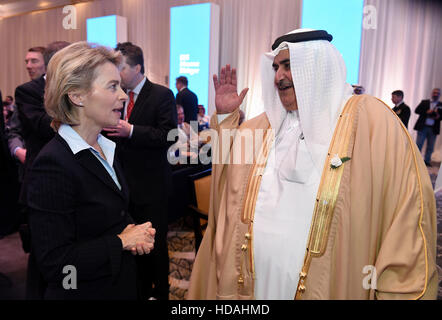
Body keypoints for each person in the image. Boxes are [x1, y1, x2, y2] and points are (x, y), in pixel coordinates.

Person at [188, 29, 437, 300]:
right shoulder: (262, 126)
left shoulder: (371, 121)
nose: (278, 76)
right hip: (253, 286)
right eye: (275, 67)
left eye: (289, 65)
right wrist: (225, 118)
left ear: (317, 67)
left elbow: (407, 209)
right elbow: (226, 183)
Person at [26, 42, 156, 300]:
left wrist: (135, 231)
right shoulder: (53, 164)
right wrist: (121, 241)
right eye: (112, 86)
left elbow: (107, 215)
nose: (122, 94)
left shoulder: (106, 147)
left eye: (120, 84)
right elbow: (57, 266)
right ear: (77, 96)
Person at [105, 42, 177, 300]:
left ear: (137, 67)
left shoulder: (161, 94)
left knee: (154, 246)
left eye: (121, 67)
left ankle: (162, 292)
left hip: (152, 186)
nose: (117, 73)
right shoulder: (116, 95)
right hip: (123, 187)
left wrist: (131, 131)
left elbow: (169, 134)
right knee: (131, 245)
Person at [413, 88, 442, 166]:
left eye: (437, 93)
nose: (435, 94)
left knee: (430, 146)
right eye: (434, 92)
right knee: (419, 144)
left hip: (433, 128)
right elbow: (416, 110)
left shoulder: (441, 105)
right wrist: (426, 112)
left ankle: (427, 161)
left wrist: (438, 117)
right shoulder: (424, 102)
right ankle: (416, 161)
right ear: (432, 93)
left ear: (440, 94)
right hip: (423, 127)